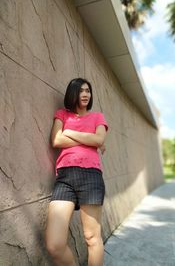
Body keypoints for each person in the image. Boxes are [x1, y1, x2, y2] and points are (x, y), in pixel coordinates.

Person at [45, 78, 108, 266]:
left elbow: (99, 139)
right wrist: (90, 139)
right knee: (54, 244)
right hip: (64, 178)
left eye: (88, 91)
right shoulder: (62, 114)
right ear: (72, 93)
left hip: (91, 175)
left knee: (91, 237)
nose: (85, 94)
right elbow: (56, 140)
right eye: (81, 91)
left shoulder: (98, 117)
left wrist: (69, 132)